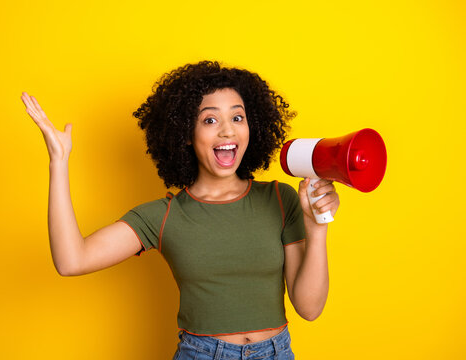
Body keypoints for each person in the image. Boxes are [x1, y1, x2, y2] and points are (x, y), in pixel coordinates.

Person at [21, 60, 340, 360]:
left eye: (237, 117)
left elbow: (309, 308)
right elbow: (71, 260)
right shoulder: (163, 216)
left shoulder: (281, 198)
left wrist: (317, 227)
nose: (227, 131)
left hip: (277, 352)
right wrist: (58, 162)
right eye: (210, 119)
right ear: (186, 133)